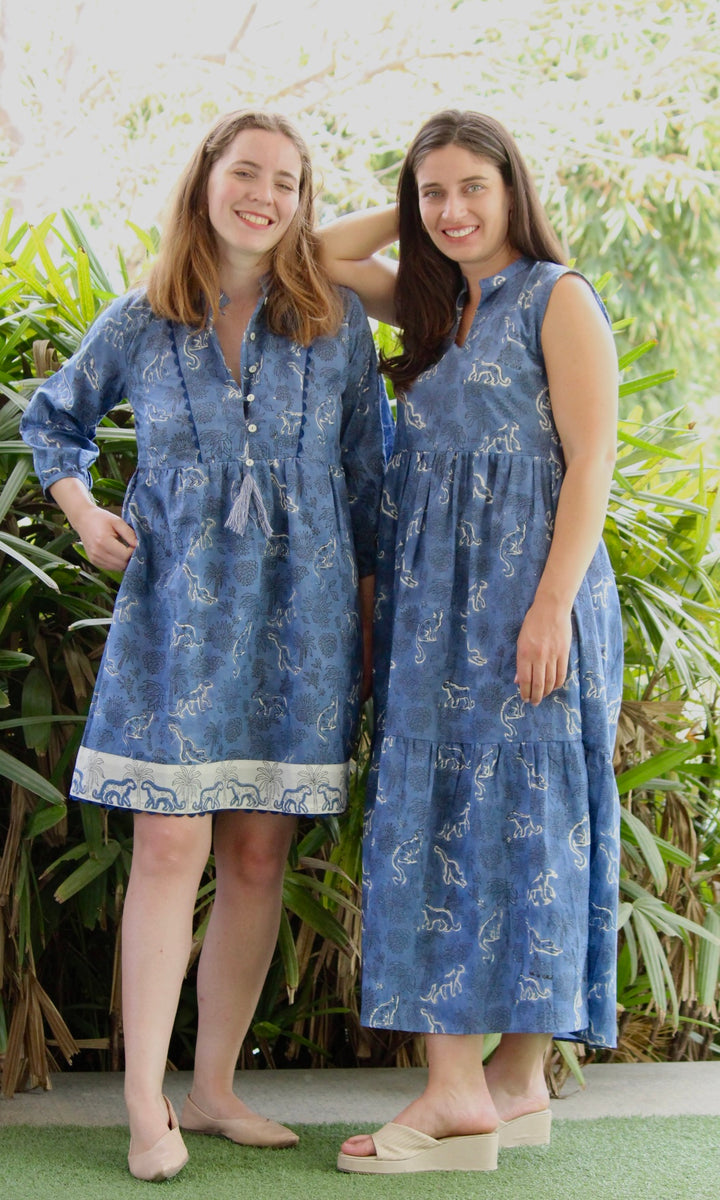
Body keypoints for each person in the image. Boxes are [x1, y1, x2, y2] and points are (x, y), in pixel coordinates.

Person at [21, 110, 389, 1182]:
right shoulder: (143, 316)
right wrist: (87, 517)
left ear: (304, 202)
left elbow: (368, 479)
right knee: (170, 849)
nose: (263, 195)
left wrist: (368, 618)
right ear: (206, 180)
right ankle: (145, 1105)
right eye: (245, 172)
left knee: (257, 854)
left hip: (305, 623)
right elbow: (53, 421)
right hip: (177, 620)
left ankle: (215, 1087)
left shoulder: (337, 324)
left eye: (286, 181)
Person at [319, 109, 622, 1175]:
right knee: (441, 811)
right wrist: (408, 214)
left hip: (532, 597)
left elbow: (591, 463)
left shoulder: (558, 296)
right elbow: (316, 256)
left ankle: (469, 1093)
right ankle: (502, 1082)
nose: (451, 211)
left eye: (472, 190)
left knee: (535, 815)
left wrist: (548, 608)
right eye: (431, 193)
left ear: (513, 191)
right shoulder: (428, 299)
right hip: (430, 608)